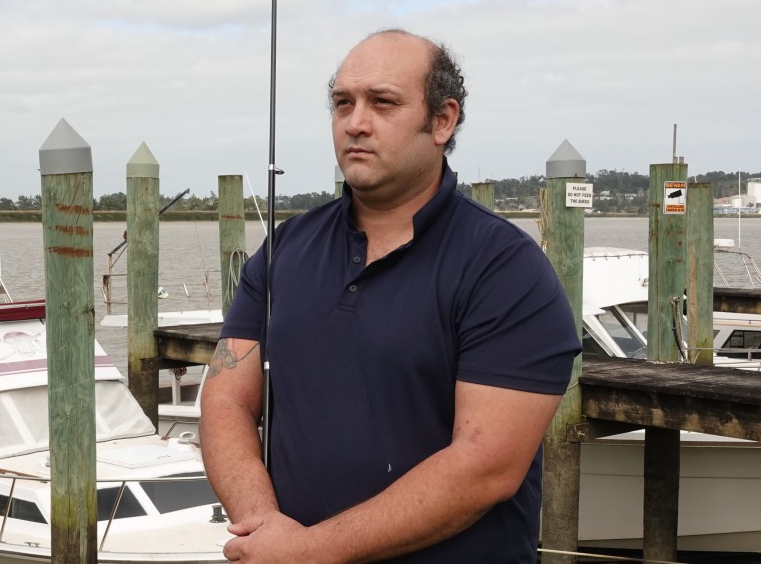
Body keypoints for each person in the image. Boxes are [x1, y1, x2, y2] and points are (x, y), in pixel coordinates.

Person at [200, 29, 581, 563]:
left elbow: (485, 465)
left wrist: (310, 552)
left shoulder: (505, 269)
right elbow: (224, 400)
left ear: (442, 121)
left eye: (383, 102)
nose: (355, 122)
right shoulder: (285, 249)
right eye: (342, 103)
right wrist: (266, 530)